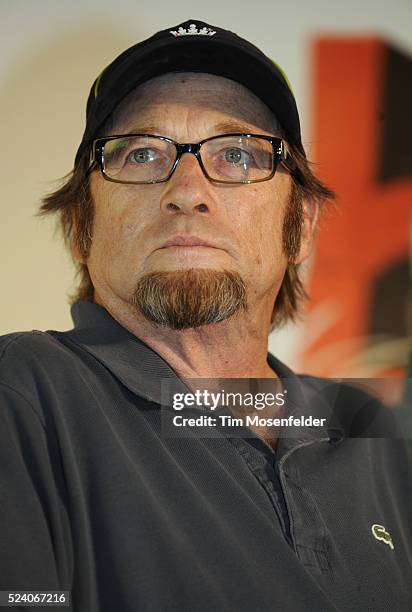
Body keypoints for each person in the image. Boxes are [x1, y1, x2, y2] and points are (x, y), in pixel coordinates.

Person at [0, 19, 411, 612]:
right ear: (82, 225)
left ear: (302, 226)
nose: (187, 189)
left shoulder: (376, 429)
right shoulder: (28, 394)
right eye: (142, 153)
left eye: (238, 154)